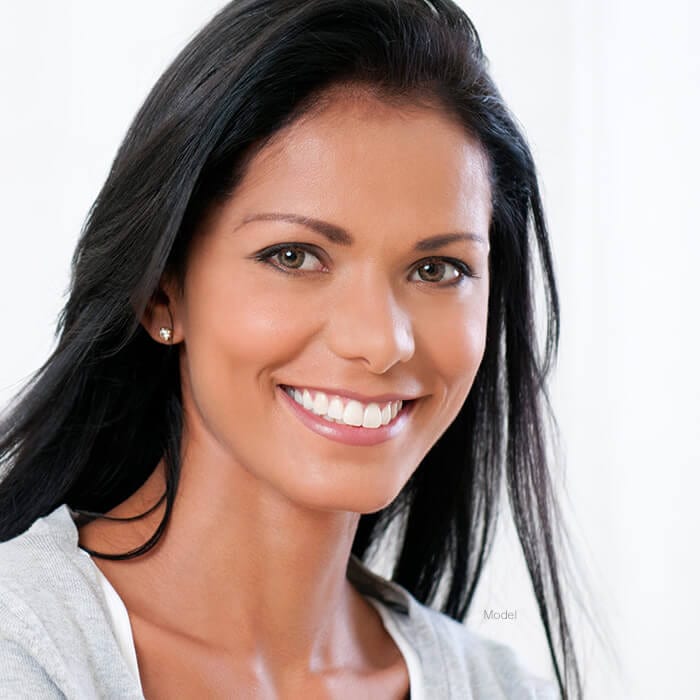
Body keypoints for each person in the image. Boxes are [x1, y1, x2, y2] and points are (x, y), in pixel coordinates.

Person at [0, 0, 583, 697]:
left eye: (437, 270)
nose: (381, 342)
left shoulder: (502, 688)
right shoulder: (25, 654)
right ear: (161, 292)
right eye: (295, 255)